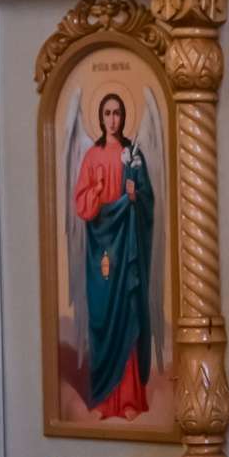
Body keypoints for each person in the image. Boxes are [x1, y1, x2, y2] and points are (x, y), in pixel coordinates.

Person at [70, 91, 156, 419]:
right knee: (104, 316)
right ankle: (106, 401)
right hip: (101, 249)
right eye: (106, 113)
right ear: (101, 117)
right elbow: (81, 203)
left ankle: (131, 399)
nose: (112, 119)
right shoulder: (91, 158)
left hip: (128, 245)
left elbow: (147, 197)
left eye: (117, 113)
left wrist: (136, 196)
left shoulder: (133, 155)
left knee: (129, 313)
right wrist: (95, 190)